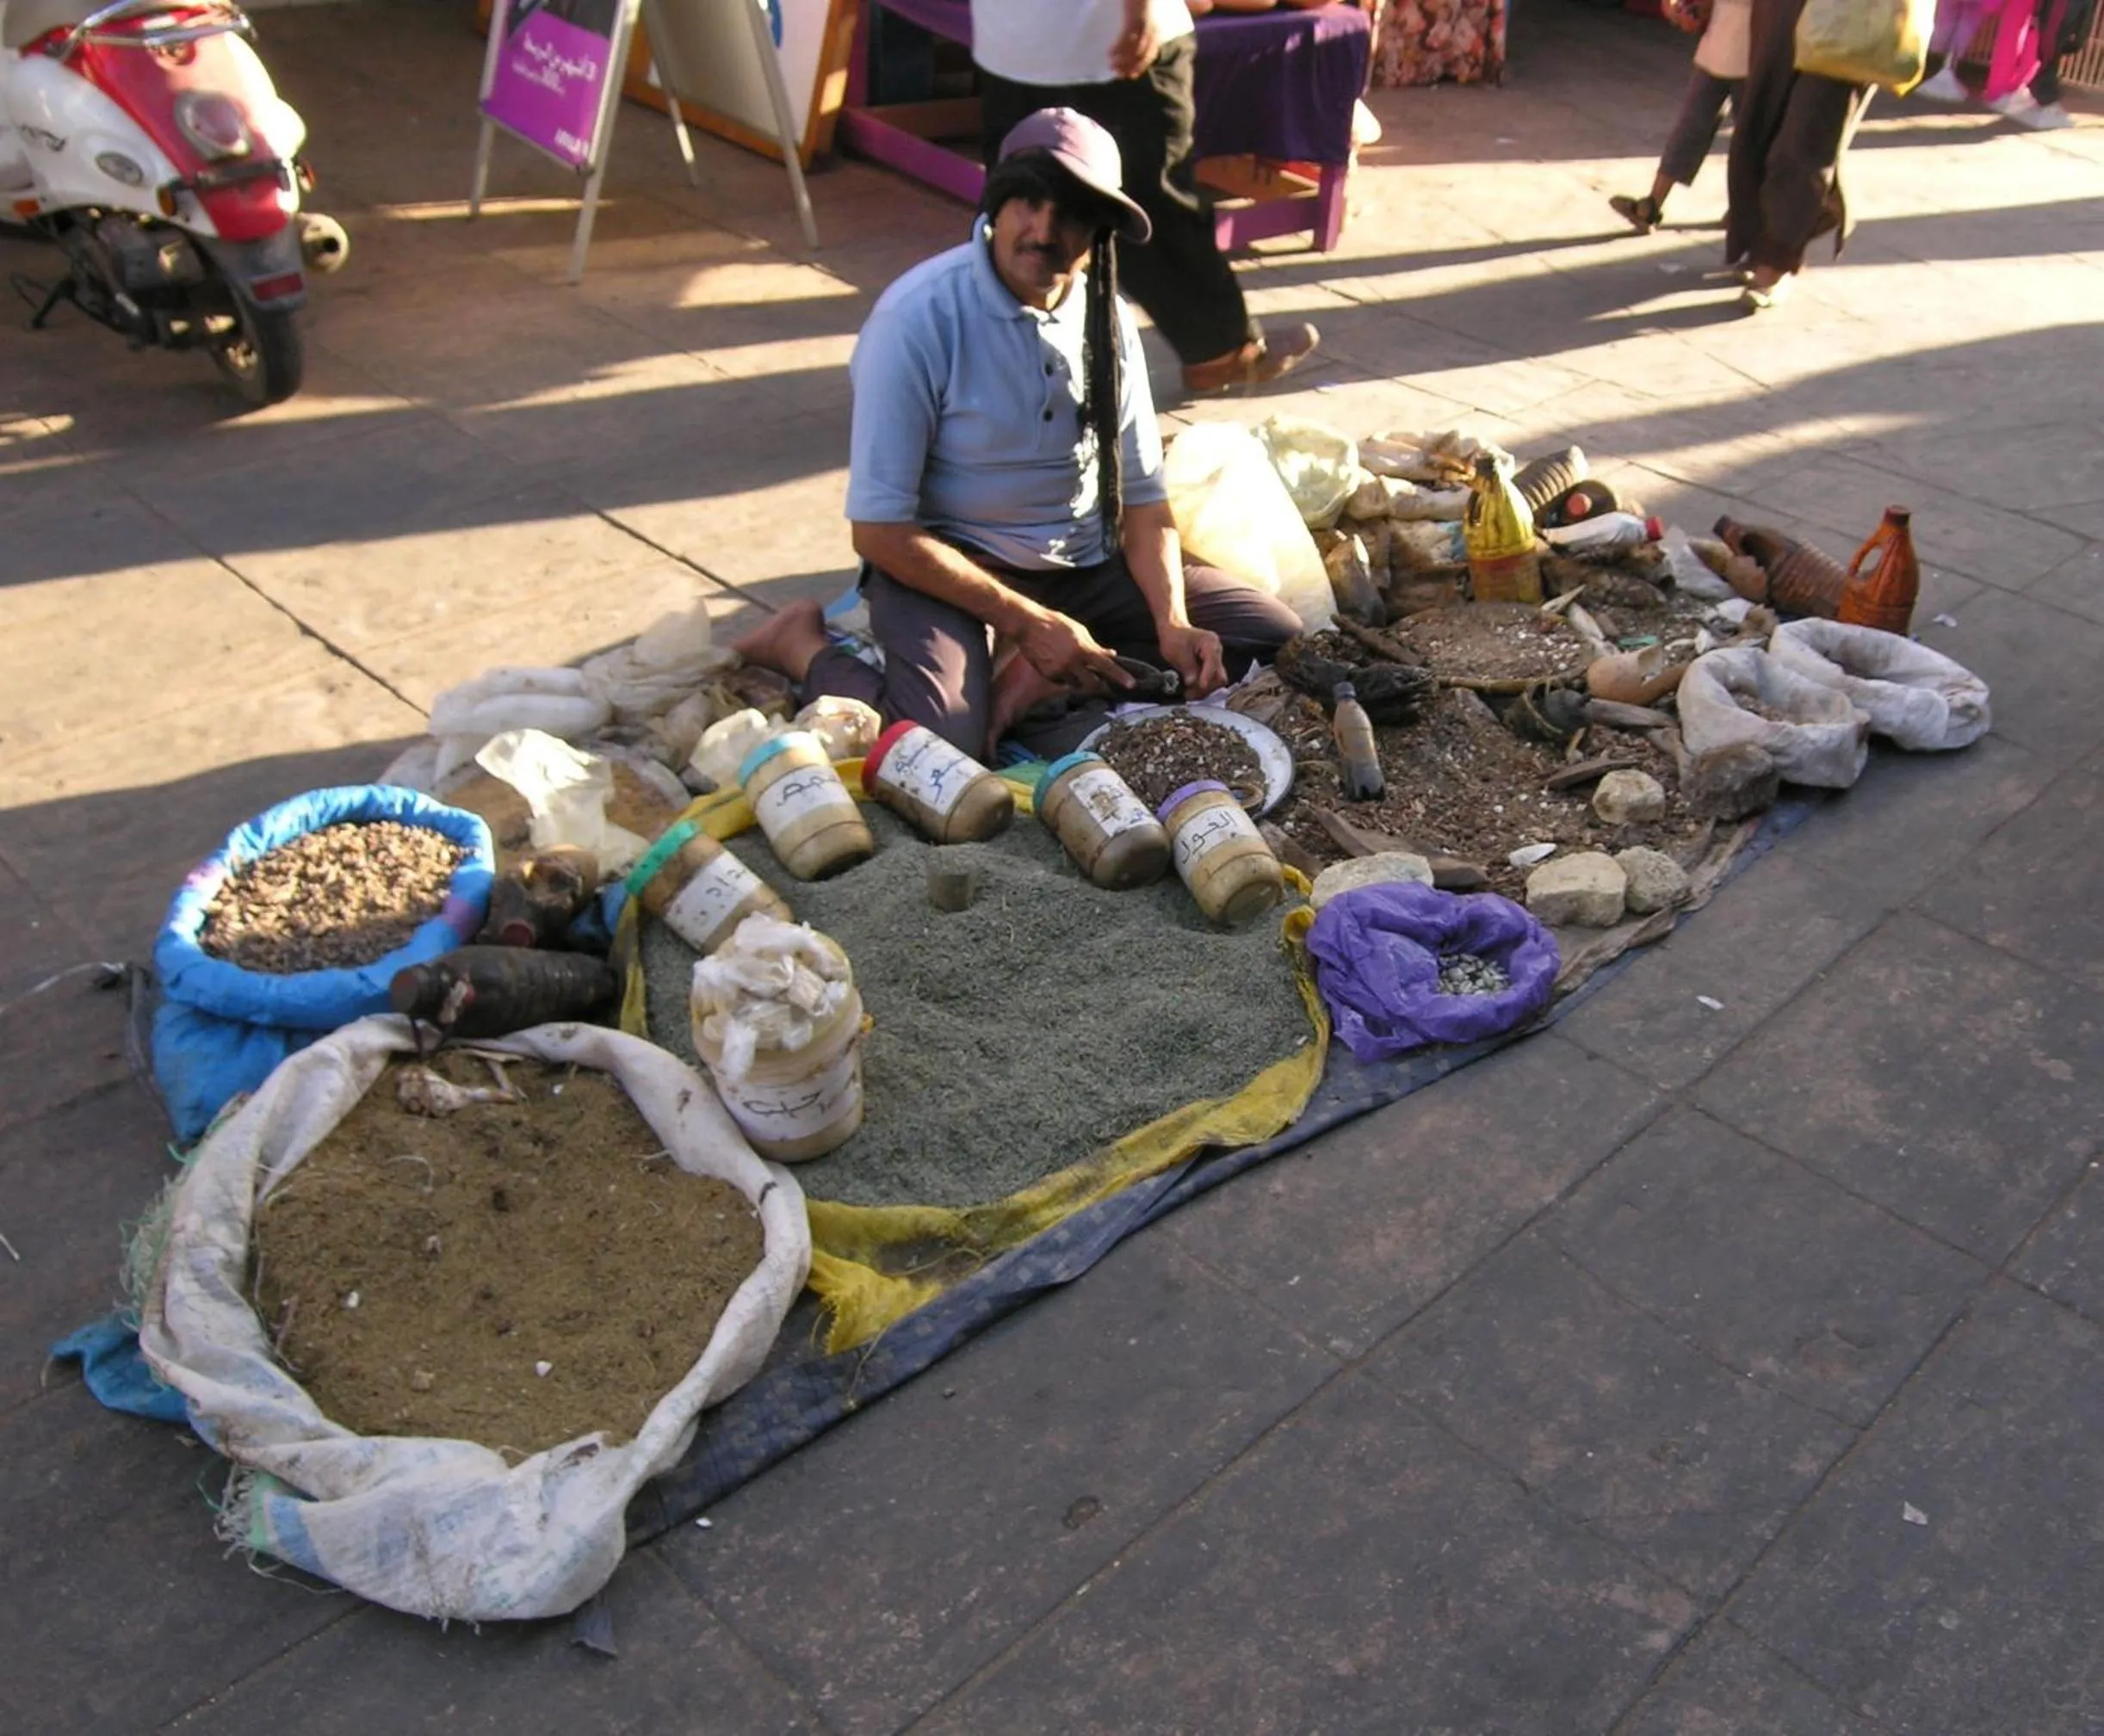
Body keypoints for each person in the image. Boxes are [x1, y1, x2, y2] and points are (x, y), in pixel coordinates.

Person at [730, 108, 1302, 762]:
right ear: (996, 205)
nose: (1046, 231)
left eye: (1073, 214)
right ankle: (801, 644)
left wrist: (1172, 622)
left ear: (1100, 234)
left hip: (1083, 561)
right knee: (944, 745)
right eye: (1029, 203)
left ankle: (1036, 672)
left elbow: (1143, 499)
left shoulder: (1107, 315)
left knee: (1270, 635)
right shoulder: (916, 319)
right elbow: (879, 531)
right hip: (950, 563)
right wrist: (1025, 622)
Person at [969, 0, 1321, 396]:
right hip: (1108, 38)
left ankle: (992, 368)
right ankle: (1216, 350)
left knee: (1020, 211)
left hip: (1016, 41)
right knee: (1156, 201)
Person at [1722, 0, 1875, 311]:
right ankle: (1763, 239)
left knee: (1806, 137)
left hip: (1849, 16)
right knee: (1761, 122)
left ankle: (1775, 262)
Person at [1610, 0, 1752, 232]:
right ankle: (1653, 205)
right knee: (1705, 130)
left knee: (1725, 135)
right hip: (1725, 48)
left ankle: (1653, 205)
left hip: (1742, 54)